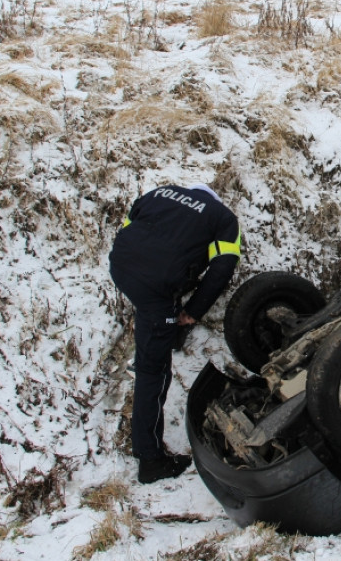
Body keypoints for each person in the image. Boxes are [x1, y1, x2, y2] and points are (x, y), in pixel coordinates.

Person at [109, 183, 241, 483]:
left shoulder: (162, 192)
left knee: (153, 311)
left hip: (121, 267)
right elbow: (222, 269)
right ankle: (150, 460)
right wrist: (192, 311)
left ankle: (161, 329)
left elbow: (132, 225)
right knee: (153, 373)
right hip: (156, 288)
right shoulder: (223, 219)